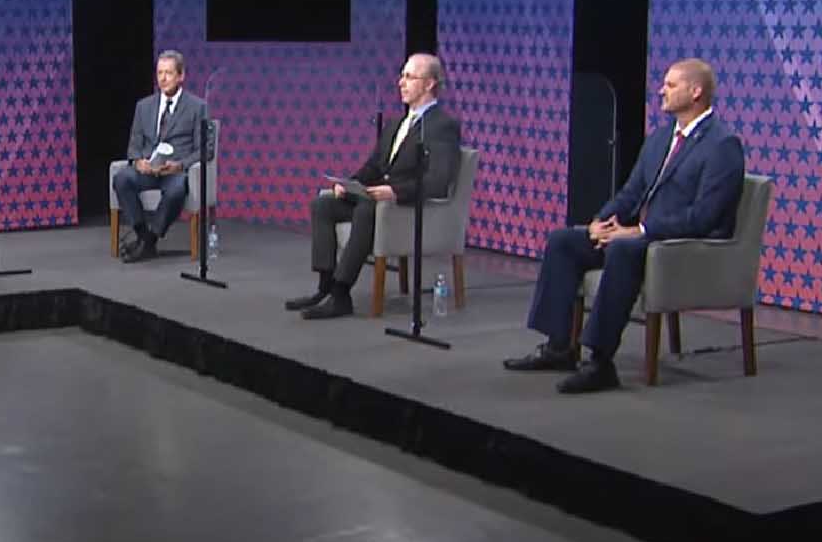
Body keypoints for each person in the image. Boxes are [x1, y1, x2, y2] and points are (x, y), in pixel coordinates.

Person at [504, 58, 746, 394]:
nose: (661, 90)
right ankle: (560, 347)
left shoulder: (722, 146)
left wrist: (642, 231)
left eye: (671, 85)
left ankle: (601, 362)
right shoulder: (661, 138)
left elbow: (704, 217)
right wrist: (599, 223)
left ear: (696, 91)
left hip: (684, 246)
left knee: (625, 248)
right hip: (642, 240)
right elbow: (631, 193)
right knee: (564, 241)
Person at [286, 54, 463, 319]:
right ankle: (324, 286)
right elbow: (374, 167)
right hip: (378, 201)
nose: (400, 82)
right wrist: (350, 184)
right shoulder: (396, 124)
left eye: (409, 77)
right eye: (402, 75)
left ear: (429, 84)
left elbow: (438, 180)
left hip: (406, 208)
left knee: (367, 207)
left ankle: (341, 293)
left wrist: (394, 192)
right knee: (323, 204)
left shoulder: (442, 126)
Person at [113, 50, 211, 263]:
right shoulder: (144, 106)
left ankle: (150, 239)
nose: (163, 79)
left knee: (176, 189)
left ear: (181, 75)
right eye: (159, 73)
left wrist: (180, 165)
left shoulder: (197, 107)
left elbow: (203, 149)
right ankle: (142, 234)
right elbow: (134, 145)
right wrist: (138, 162)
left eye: (168, 73)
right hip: (148, 170)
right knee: (122, 178)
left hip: (175, 171)